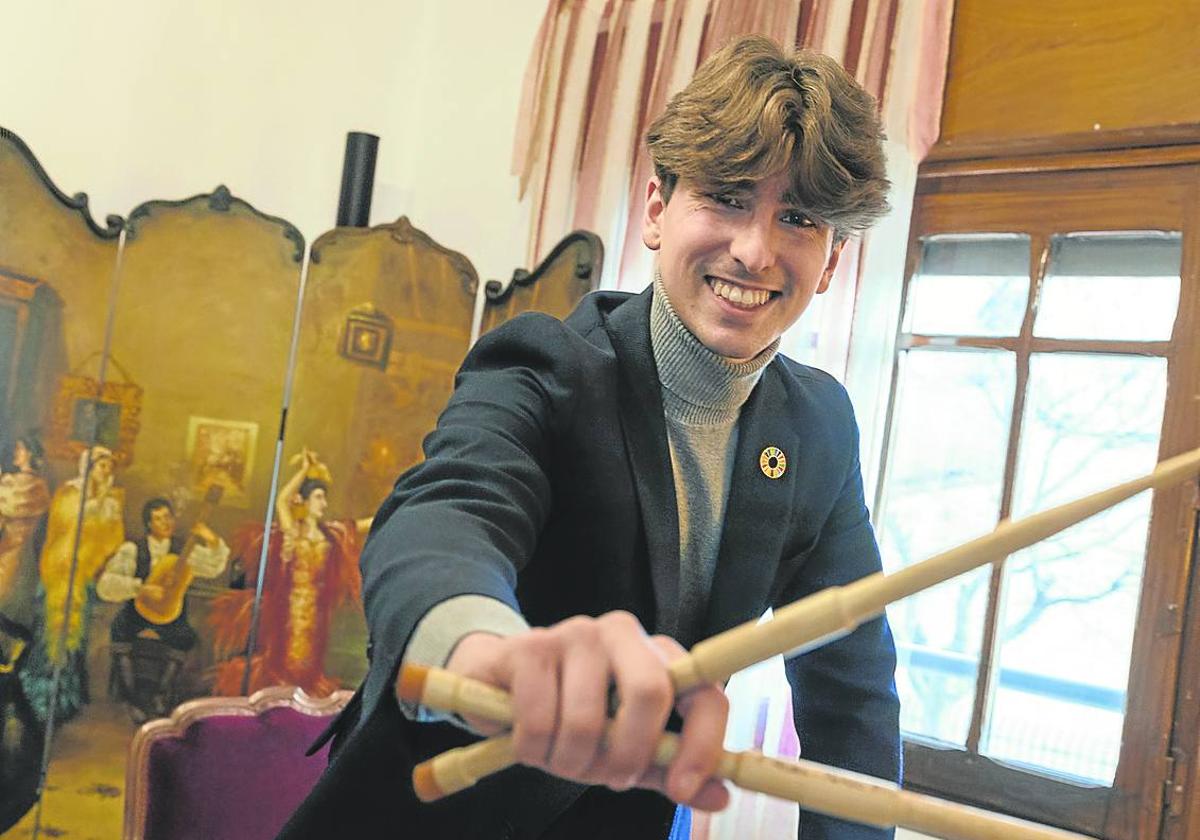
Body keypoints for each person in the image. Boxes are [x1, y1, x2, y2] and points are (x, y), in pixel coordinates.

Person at [281, 35, 900, 840]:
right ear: (655, 209)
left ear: (830, 262)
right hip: (427, 811)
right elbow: (445, 520)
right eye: (728, 197)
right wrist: (486, 653)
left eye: (799, 218)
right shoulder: (545, 362)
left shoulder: (819, 426)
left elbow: (850, 686)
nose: (756, 249)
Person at [210, 449, 366, 697]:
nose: (323, 504)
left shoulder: (331, 533)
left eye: (324, 498)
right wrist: (304, 470)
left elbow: (362, 525)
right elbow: (282, 501)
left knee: (310, 668)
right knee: (281, 666)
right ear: (303, 501)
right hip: (287, 612)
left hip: (315, 613)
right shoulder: (292, 532)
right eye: (317, 497)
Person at [97, 497, 229, 720]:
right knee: (120, 630)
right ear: (149, 524)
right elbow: (105, 585)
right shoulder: (133, 549)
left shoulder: (184, 549)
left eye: (168, 517)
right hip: (139, 612)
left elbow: (214, 568)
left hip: (172, 615)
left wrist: (212, 540)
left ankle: (161, 695)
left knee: (183, 637)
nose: (165, 523)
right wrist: (140, 588)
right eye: (158, 519)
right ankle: (133, 700)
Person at [21, 445, 124, 723]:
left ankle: (65, 697)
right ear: (88, 467)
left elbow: (113, 538)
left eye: (109, 468)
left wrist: (105, 505)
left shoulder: (111, 501)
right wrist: (97, 502)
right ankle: (38, 691)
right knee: (51, 631)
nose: (106, 472)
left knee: (76, 635)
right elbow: (68, 524)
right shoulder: (68, 492)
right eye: (102, 466)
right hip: (58, 573)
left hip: (84, 576)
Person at [0, 434, 51, 618]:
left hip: (20, 553)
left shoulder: (36, 486)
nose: (15, 453)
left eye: (20, 448)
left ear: (30, 453)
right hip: (5, 546)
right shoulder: (7, 480)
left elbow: (11, 508)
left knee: (8, 601)